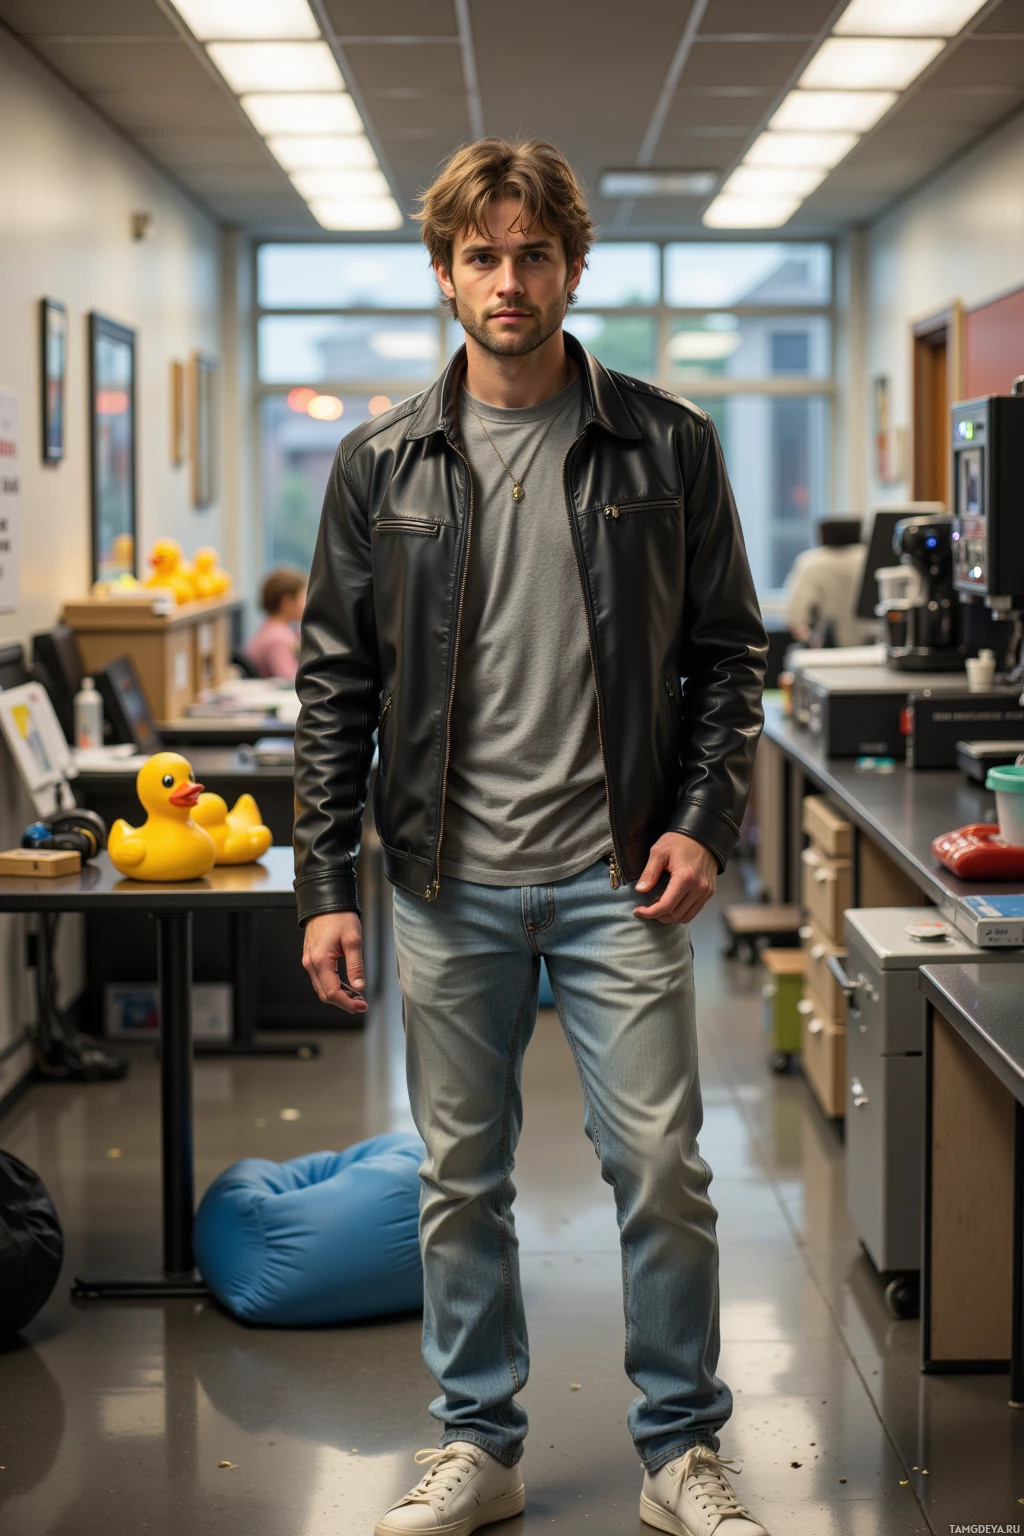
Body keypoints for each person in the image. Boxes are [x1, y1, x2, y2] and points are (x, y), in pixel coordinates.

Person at [294, 138, 769, 1536]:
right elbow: (338, 686)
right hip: (449, 883)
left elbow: (731, 657)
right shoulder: (379, 459)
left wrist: (700, 820)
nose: (510, 280)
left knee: (663, 1173)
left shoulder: (666, 444)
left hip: (620, 878)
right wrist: (328, 883)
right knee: (459, 1181)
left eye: (534, 253)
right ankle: (478, 1446)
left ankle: (683, 1449)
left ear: (574, 266)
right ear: (444, 275)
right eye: (483, 256)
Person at [784, 518, 873, 648]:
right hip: (872, 646)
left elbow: (796, 617)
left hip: (829, 647)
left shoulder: (812, 562)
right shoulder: (869, 558)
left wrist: (811, 640)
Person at [245, 568, 306, 680]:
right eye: (303, 598)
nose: (306, 603)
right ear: (287, 602)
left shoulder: (271, 629)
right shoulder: (278, 638)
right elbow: (290, 680)